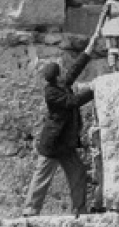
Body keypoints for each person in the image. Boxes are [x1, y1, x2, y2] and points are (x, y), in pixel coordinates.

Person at [22, 29, 100, 217]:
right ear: (56, 77)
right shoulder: (52, 93)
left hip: (65, 144)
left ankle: (79, 210)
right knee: (42, 177)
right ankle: (30, 211)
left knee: (78, 173)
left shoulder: (61, 84)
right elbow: (72, 102)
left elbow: (75, 69)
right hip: (53, 143)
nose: (64, 72)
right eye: (61, 71)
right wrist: (92, 89)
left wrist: (90, 46)